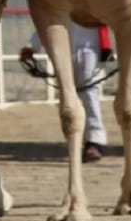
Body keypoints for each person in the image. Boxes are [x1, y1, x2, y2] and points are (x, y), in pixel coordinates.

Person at [22, 21, 108, 162]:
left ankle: (94, 141)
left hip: (91, 45)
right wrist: (32, 45)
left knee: (89, 92)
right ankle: (78, 140)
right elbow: (48, 18)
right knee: (68, 96)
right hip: (63, 47)